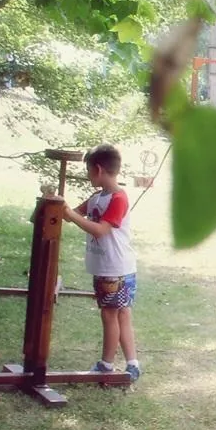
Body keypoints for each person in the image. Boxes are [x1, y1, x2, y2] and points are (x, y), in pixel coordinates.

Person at [63, 144, 141, 381]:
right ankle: (133, 364)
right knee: (122, 314)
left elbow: (100, 230)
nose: (87, 176)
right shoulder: (97, 197)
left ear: (97, 169)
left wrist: (72, 215)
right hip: (111, 267)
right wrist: (62, 208)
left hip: (114, 269)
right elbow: (72, 213)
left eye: (88, 171)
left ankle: (106, 365)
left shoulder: (118, 198)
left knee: (111, 316)